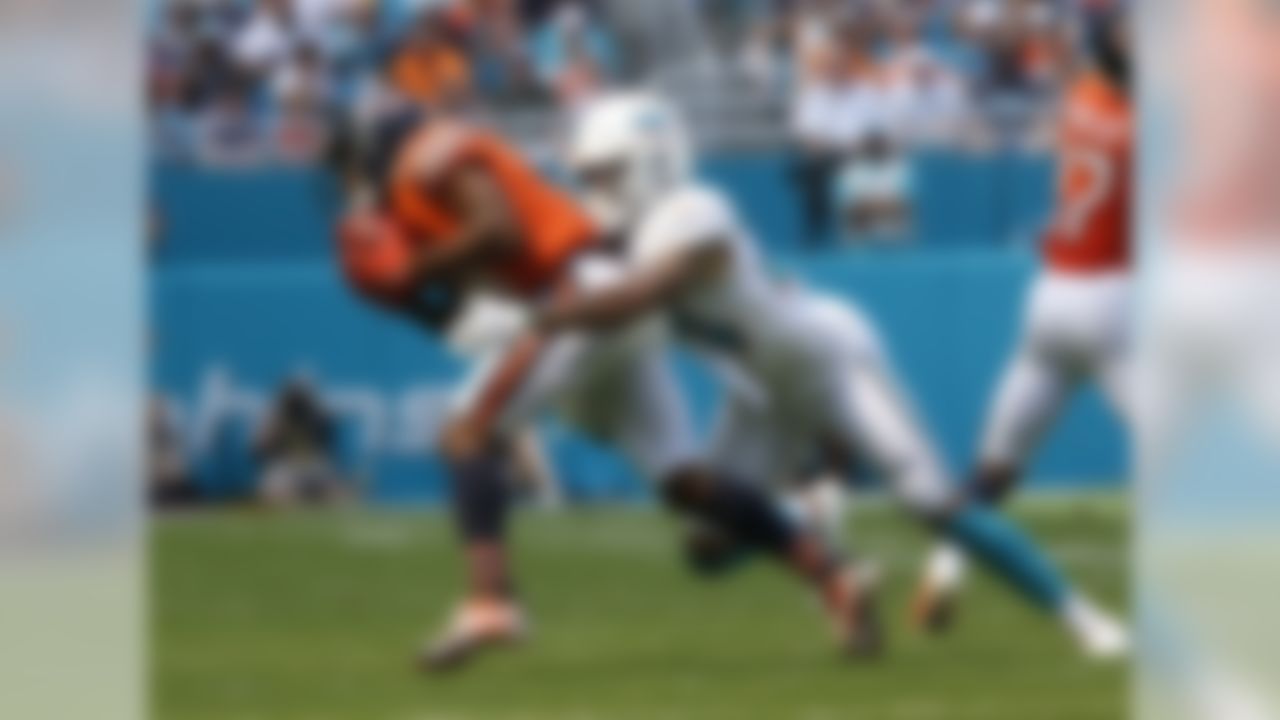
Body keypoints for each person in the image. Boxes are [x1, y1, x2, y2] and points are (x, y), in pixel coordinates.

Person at [549, 91, 1129, 659]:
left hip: (830, 361)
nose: (595, 191)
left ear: (651, 161)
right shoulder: (631, 238)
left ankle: (1083, 619)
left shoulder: (693, 212)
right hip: (759, 391)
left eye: (606, 174)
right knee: (707, 545)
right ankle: (810, 513)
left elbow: (636, 294)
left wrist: (546, 312)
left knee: (931, 504)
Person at [334, 109, 876, 672]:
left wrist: (417, 267)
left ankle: (490, 602)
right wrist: (413, 289)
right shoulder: (425, 187)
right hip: (599, 295)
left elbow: (499, 231)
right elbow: (462, 301)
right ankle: (834, 577)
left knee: (466, 432)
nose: (349, 188)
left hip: (578, 294)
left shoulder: (425, 155)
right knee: (684, 481)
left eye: (348, 169)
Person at [914, 8, 1133, 631]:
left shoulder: (1081, 99)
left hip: (1050, 297)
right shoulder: (1138, 124)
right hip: (1111, 301)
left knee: (995, 469)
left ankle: (945, 567)